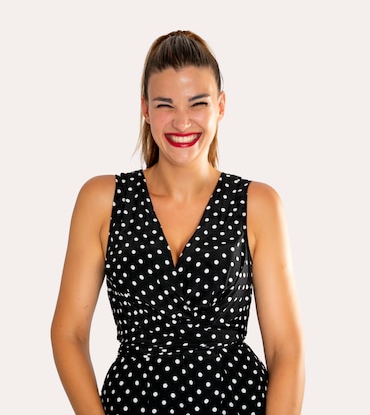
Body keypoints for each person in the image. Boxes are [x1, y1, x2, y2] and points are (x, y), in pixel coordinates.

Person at [50, 30, 305, 415]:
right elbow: (68, 333)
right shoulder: (101, 200)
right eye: (165, 104)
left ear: (220, 106)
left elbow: (286, 349)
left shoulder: (258, 203)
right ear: (145, 109)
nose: (182, 122)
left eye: (197, 103)